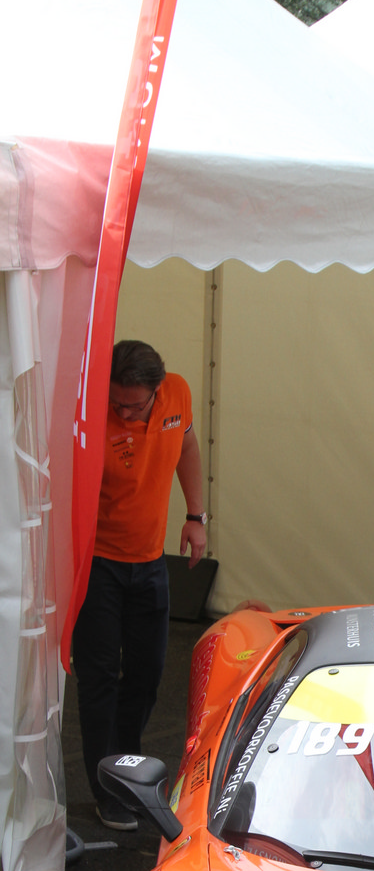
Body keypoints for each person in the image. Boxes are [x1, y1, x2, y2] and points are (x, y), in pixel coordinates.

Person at [72, 340, 207, 830]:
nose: (123, 412)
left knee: (147, 675)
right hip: (97, 565)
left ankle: (126, 768)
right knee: (100, 679)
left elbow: (187, 447)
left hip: (150, 563)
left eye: (133, 404)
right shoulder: (89, 409)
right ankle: (107, 788)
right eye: (116, 403)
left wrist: (196, 515)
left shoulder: (178, 394)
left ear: (157, 391)